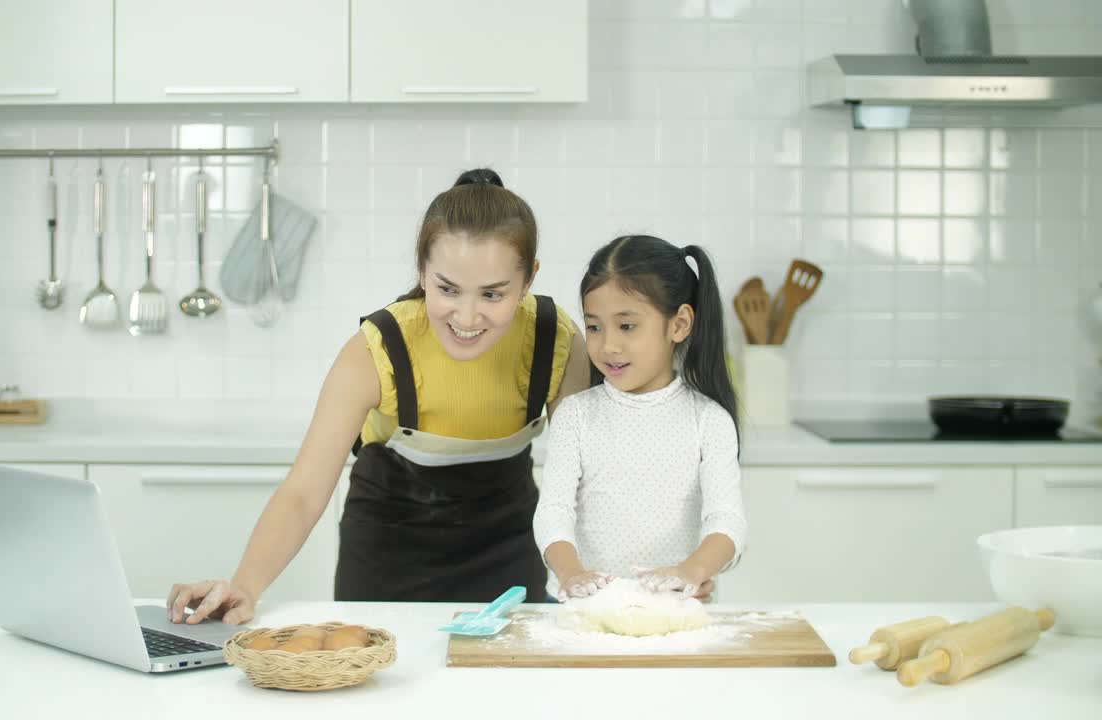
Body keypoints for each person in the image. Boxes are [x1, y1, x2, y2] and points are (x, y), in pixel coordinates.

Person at [168, 169, 591, 624]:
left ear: (529, 280)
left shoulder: (555, 341)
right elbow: (304, 492)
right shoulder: (378, 348)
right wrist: (246, 585)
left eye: (493, 294)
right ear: (422, 272)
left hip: (507, 558)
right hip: (387, 557)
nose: (467, 316)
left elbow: (585, 481)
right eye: (447, 288)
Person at [532, 235, 747, 603]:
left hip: (676, 609)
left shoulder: (709, 421)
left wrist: (693, 570)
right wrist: (571, 575)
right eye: (595, 327)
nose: (608, 345)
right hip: (583, 609)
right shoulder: (576, 415)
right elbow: (553, 512)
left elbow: (727, 522)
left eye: (627, 326)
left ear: (679, 324)